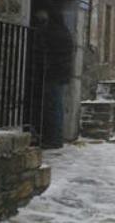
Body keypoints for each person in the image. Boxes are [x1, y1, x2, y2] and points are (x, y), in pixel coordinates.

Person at [34, 9, 73, 149]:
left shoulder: (54, 33)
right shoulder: (65, 32)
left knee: (52, 107)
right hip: (60, 74)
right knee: (56, 106)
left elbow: (44, 45)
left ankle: (53, 139)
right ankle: (54, 137)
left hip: (53, 74)